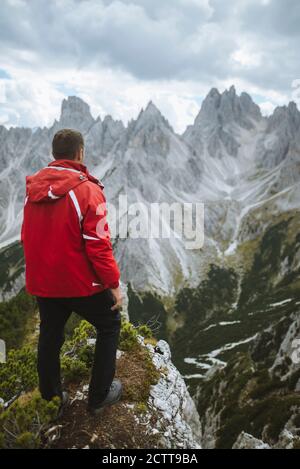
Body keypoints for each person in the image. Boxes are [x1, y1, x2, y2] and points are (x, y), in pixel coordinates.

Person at [21, 128, 123, 415]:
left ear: (55, 154)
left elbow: (27, 236)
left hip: (44, 283)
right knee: (109, 324)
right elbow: (98, 245)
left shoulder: (33, 191)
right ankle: (99, 395)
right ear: (80, 153)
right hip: (79, 284)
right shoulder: (88, 190)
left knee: (50, 334)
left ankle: (52, 400)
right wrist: (113, 283)